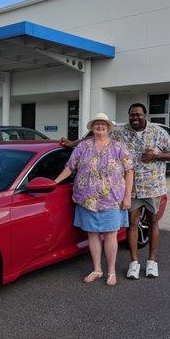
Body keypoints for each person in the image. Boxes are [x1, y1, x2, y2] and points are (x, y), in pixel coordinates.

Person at [61, 104, 170, 279]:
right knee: (133, 223)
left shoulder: (158, 132)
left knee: (153, 220)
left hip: (152, 185)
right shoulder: (120, 130)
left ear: (145, 115)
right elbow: (97, 135)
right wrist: (72, 143)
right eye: (132, 115)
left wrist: (156, 156)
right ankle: (134, 262)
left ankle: (152, 261)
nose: (135, 118)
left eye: (138, 115)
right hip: (130, 188)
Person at [54, 113, 134, 286]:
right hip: (87, 199)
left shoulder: (118, 147)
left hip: (112, 199)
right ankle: (97, 269)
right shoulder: (83, 146)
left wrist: (127, 196)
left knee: (111, 235)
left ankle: (111, 271)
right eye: (97, 124)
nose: (100, 126)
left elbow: (129, 171)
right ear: (92, 127)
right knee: (92, 235)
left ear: (108, 127)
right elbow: (70, 167)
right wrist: (55, 181)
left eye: (103, 124)